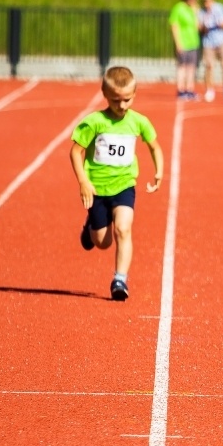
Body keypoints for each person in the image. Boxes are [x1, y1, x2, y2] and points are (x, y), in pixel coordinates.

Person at [69, 66, 164, 301]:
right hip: (97, 188)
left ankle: (120, 279)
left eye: (127, 100)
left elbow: (154, 146)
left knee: (123, 228)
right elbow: (75, 152)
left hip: (124, 185)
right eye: (115, 100)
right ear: (104, 93)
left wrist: (159, 172)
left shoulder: (139, 122)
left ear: (135, 95)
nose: (121, 106)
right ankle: (90, 229)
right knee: (102, 241)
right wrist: (83, 180)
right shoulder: (94, 122)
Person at [197, 0, 223, 102]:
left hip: (221, 40)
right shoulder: (201, 12)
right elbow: (200, 28)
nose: (205, 3)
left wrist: (216, 23)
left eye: (207, 0)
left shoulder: (219, 8)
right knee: (209, 66)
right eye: (203, 1)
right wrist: (204, 27)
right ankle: (210, 90)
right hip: (208, 42)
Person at [168, 0, 200, 100]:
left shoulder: (193, 10)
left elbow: (198, 27)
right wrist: (178, 43)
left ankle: (189, 89)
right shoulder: (179, 8)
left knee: (191, 67)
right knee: (182, 66)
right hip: (183, 42)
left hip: (193, 42)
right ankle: (181, 90)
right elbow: (174, 25)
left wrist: (196, 14)